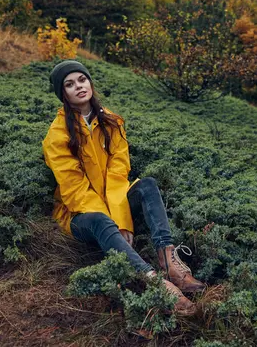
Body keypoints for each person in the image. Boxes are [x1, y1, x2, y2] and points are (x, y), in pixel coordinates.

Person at [42, 60, 205, 316]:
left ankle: (168, 259)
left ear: (90, 83)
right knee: (99, 221)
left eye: (82, 80)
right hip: (79, 214)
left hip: (113, 200)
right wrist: (113, 220)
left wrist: (122, 219)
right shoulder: (57, 135)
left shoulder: (112, 122)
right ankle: (153, 281)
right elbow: (74, 189)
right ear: (63, 94)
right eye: (69, 84)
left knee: (147, 185)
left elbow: (119, 171)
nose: (79, 87)